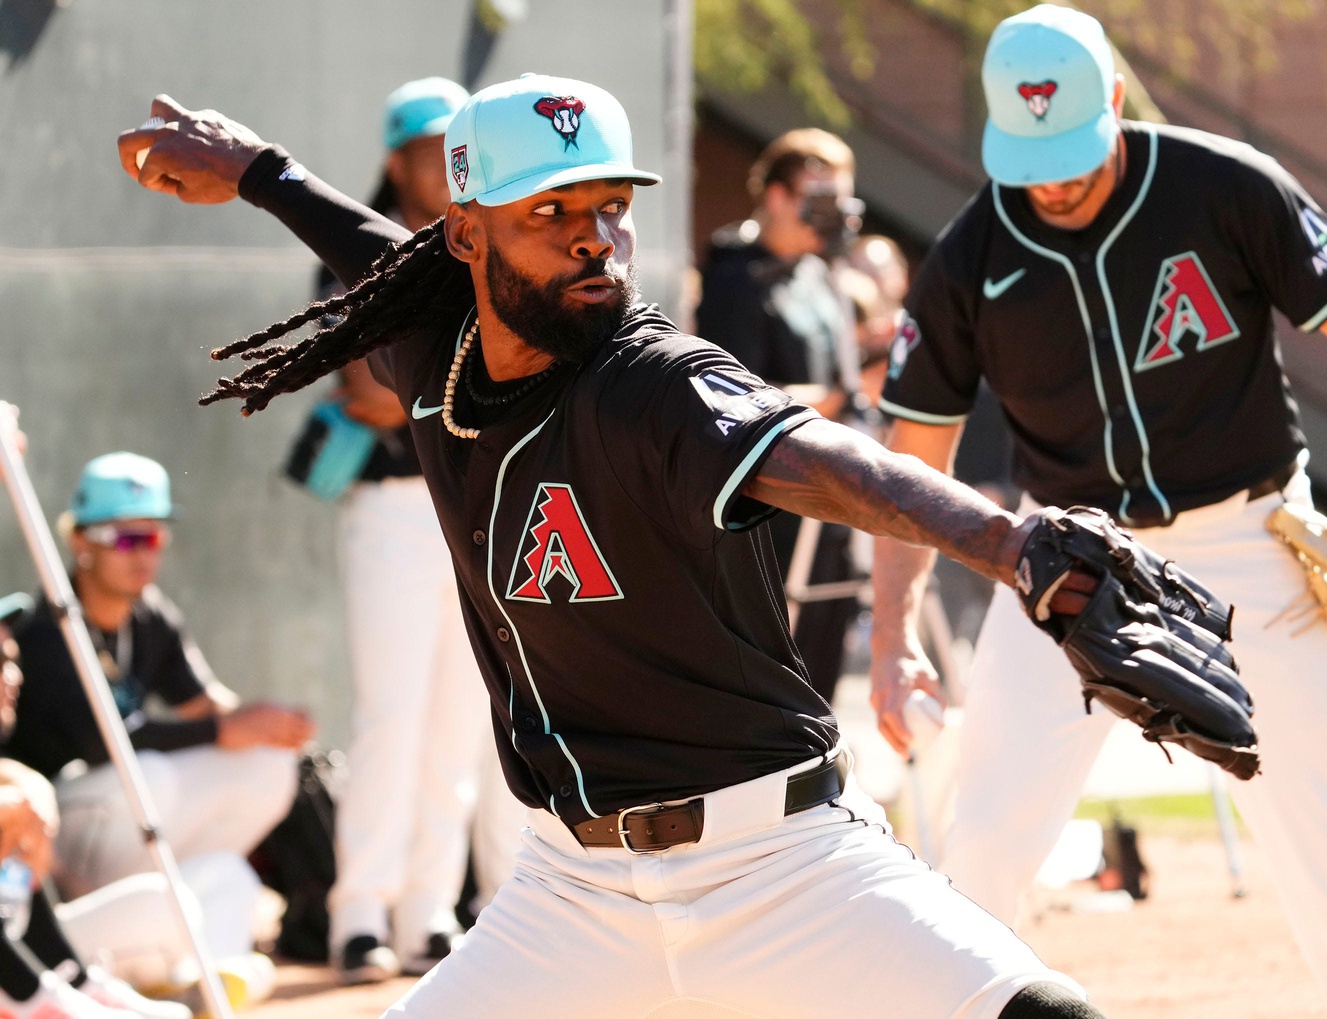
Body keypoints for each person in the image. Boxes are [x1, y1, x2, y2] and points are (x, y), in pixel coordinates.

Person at [111, 75, 1142, 1018]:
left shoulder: (661, 380)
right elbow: (366, 245)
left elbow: (831, 462)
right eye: (549, 212)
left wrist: (1008, 540)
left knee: (1049, 1016)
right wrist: (258, 171)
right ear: (465, 234)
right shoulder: (433, 350)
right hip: (571, 893)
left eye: (611, 204)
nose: (593, 238)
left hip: (779, 861)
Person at [869, 7, 1327, 1019]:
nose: (1053, 182)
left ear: (1115, 100)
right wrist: (893, 636)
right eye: (1031, 158)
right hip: (1064, 562)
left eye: (1071, 150)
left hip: (1250, 543)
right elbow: (912, 461)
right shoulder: (971, 255)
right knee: (982, 849)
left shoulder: (1224, 186)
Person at [301, 75, 500, 984]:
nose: (446, 167)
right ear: (396, 158)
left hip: (472, 504)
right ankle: (359, 913)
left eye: (457, 150)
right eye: (430, 150)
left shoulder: (486, 238)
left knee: (460, 718)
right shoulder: (354, 245)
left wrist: (440, 382)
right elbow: (367, 393)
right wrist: (471, 379)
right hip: (391, 507)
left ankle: (427, 910)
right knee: (391, 714)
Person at [6, 453, 312, 909]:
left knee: (268, 764)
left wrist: (269, 725)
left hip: (122, 815)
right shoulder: (45, 628)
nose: (143, 554)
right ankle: (97, 907)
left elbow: (207, 705)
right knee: (152, 776)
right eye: (126, 538)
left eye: (153, 536)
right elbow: (101, 742)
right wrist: (223, 730)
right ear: (80, 542)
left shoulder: (151, 617)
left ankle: (167, 906)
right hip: (46, 822)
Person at [695, 129, 868, 703]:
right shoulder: (736, 277)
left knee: (826, 649)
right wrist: (830, 399)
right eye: (816, 200)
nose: (829, 216)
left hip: (831, 489)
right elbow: (731, 396)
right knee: (775, 672)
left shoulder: (820, 274)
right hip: (774, 500)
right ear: (776, 195)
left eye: (839, 201)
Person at [0, 596, 190, 1019]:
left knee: (177, 902)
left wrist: (28, 792)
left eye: (12, 660)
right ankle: (32, 997)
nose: (13, 676)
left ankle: (64, 984)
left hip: (29, 941)